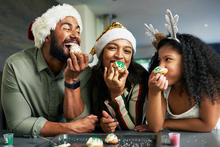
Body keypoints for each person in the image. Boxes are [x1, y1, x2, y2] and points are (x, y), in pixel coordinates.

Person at [1, 4, 98, 137]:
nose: (75, 36)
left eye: (78, 31)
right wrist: (70, 128)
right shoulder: (16, 66)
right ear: (47, 35)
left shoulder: (84, 72)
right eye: (67, 29)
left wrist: (72, 79)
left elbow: (81, 123)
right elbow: (18, 124)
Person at [135, 9, 220, 132]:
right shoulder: (164, 89)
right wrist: (154, 92)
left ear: (187, 61)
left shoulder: (206, 84)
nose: (160, 67)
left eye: (168, 59)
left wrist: (166, 123)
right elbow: (156, 126)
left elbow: (207, 125)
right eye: (159, 61)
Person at [65, 22, 149, 133]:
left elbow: (134, 128)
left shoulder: (140, 78)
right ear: (102, 54)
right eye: (112, 48)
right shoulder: (92, 76)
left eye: (127, 51)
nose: (119, 55)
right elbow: (85, 120)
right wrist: (102, 125)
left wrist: (116, 93)